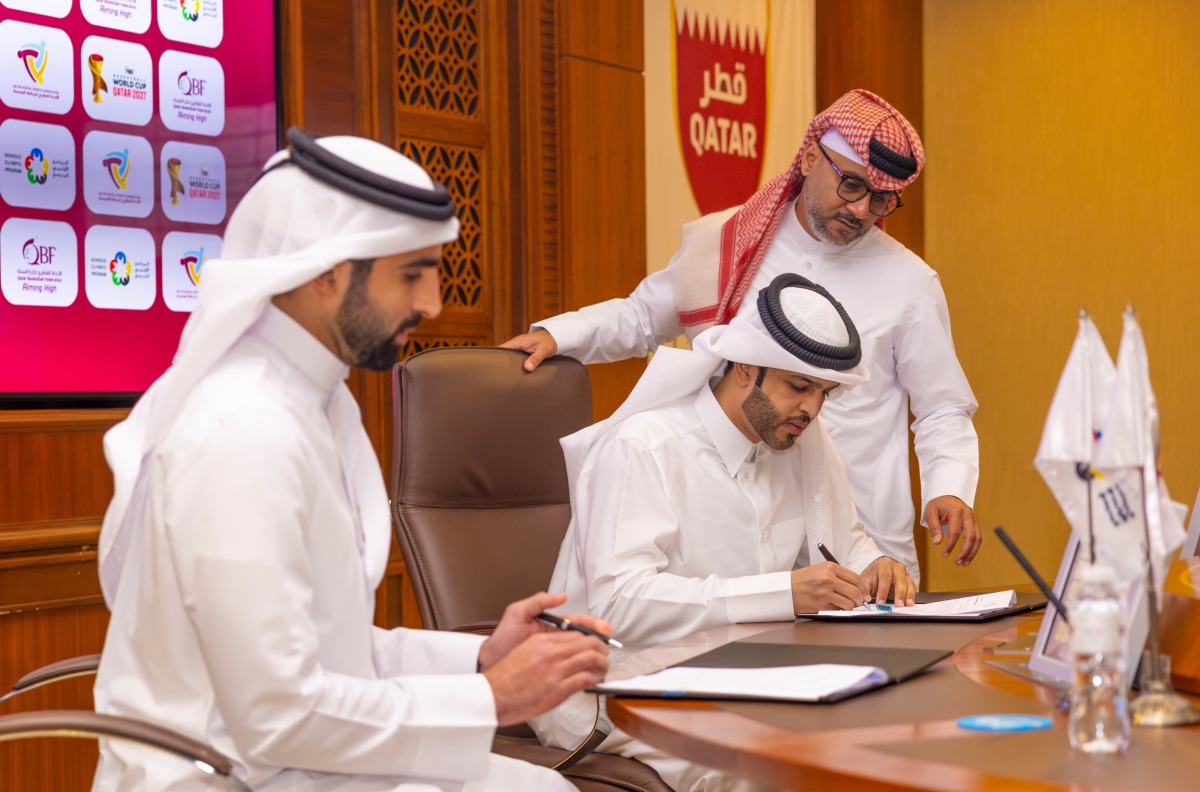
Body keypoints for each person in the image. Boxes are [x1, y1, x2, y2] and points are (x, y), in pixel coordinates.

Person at [91, 129, 612, 792]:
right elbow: (277, 715)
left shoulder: (315, 403)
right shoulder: (244, 429)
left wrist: (482, 656)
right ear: (328, 271)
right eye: (412, 274)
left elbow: (331, 649)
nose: (433, 304)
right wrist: (491, 700)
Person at [503, 89, 980, 583]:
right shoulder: (728, 243)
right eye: (852, 186)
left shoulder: (910, 281)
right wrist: (560, 335)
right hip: (734, 530)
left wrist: (950, 486)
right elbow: (644, 316)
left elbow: (941, 404)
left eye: (882, 200)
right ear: (812, 155)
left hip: (861, 540)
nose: (862, 211)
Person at [529, 274, 915, 792]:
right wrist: (785, 594)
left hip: (739, 679)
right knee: (772, 771)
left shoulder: (802, 441)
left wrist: (877, 568)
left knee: (876, 740)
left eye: (824, 392)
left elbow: (845, 545)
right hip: (608, 688)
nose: (812, 409)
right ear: (745, 367)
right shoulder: (644, 447)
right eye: (798, 387)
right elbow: (618, 606)